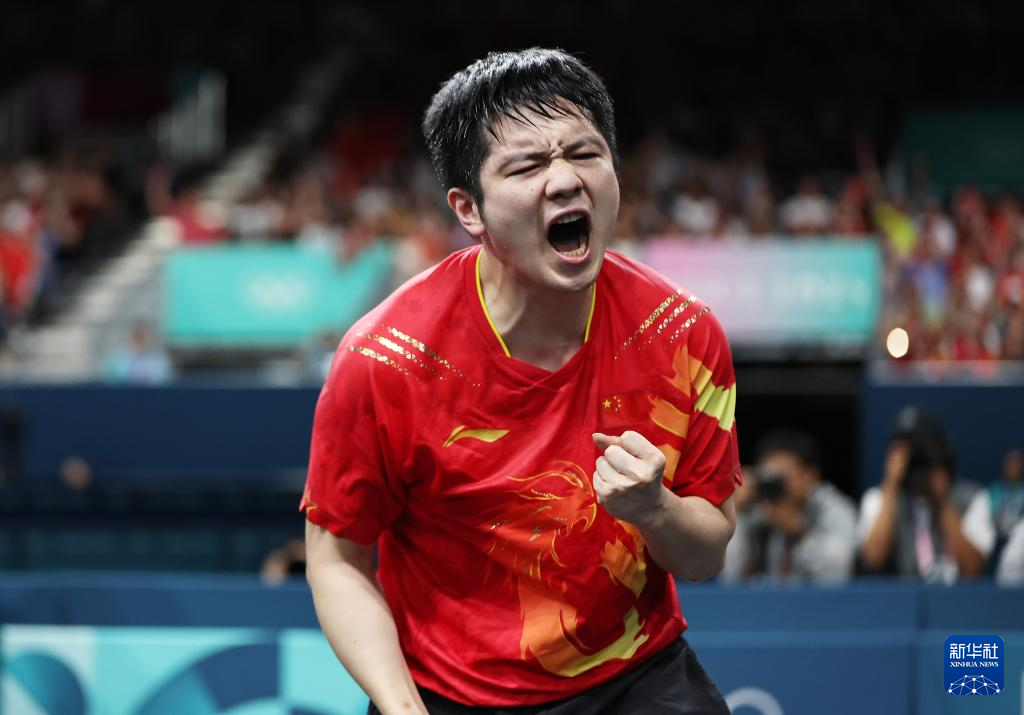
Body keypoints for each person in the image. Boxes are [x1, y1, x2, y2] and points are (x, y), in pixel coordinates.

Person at [301, 48, 740, 714]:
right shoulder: (385, 360)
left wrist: (656, 510)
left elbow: (705, 556)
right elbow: (337, 560)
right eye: (527, 166)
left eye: (585, 153)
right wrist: (400, 706)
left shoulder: (682, 333)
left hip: (634, 676)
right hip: (451, 694)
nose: (564, 180)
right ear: (468, 208)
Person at [857, 406, 978, 583]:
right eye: (905, 451)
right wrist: (891, 484)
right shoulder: (878, 498)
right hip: (901, 598)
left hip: (958, 597)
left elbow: (974, 568)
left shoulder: (970, 498)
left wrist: (942, 501)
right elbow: (873, 559)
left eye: (921, 451)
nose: (915, 460)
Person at [722, 429, 856, 583]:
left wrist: (799, 531)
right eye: (769, 478)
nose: (777, 487)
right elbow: (729, 574)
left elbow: (837, 573)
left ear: (810, 475)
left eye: (782, 477)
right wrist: (735, 512)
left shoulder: (835, 510)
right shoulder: (756, 510)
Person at [961, 448, 1024, 576]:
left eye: (1017, 463)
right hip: (992, 546)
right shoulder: (991, 493)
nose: (1013, 467)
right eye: (1010, 463)